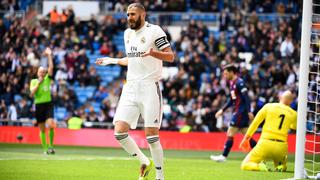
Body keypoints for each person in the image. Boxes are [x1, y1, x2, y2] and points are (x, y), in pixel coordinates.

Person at [95, 3, 174, 180]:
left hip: (149, 87)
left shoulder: (155, 31)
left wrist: (154, 53)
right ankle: (145, 162)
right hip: (130, 87)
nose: (129, 17)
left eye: (132, 14)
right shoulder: (127, 33)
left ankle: (160, 176)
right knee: (119, 132)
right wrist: (112, 60)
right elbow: (133, 60)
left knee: (152, 137)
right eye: (128, 14)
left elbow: (170, 56)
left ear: (142, 15)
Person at [239, 90, 297, 171]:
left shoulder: (268, 106)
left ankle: (259, 167)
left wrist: (246, 138)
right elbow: (294, 127)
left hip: (265, 143)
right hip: (281, 147)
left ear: (280, 97)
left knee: (245, 165)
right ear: (291, 101)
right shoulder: (294, 114)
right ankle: (280, 167)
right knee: (282, 166)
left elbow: (255, 123)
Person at [210, 64, 256, 162]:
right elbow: (231, 100)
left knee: (230, 132)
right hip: (238, 111)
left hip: (241, 112)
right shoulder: (232, 83)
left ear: (232, 72)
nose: (224, 76)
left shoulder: (240, 83)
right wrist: (222, 110)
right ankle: (260, 153)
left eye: (226, 74)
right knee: (246, 135)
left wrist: (249, 111)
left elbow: (246, 97)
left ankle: (224, 156)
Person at [30, 47, 56, 155]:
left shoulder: (47, 79)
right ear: (37, 73)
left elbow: (51, 67)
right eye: (40, 71)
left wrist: (49, 54)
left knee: (51, 125)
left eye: (43, 72)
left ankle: (51, 146)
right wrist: (38, 84)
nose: (42, 73)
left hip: (48, 104)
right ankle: (45, 149)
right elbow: (32, 93)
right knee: (42, 129)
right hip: (39, 105)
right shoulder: (34, 81)